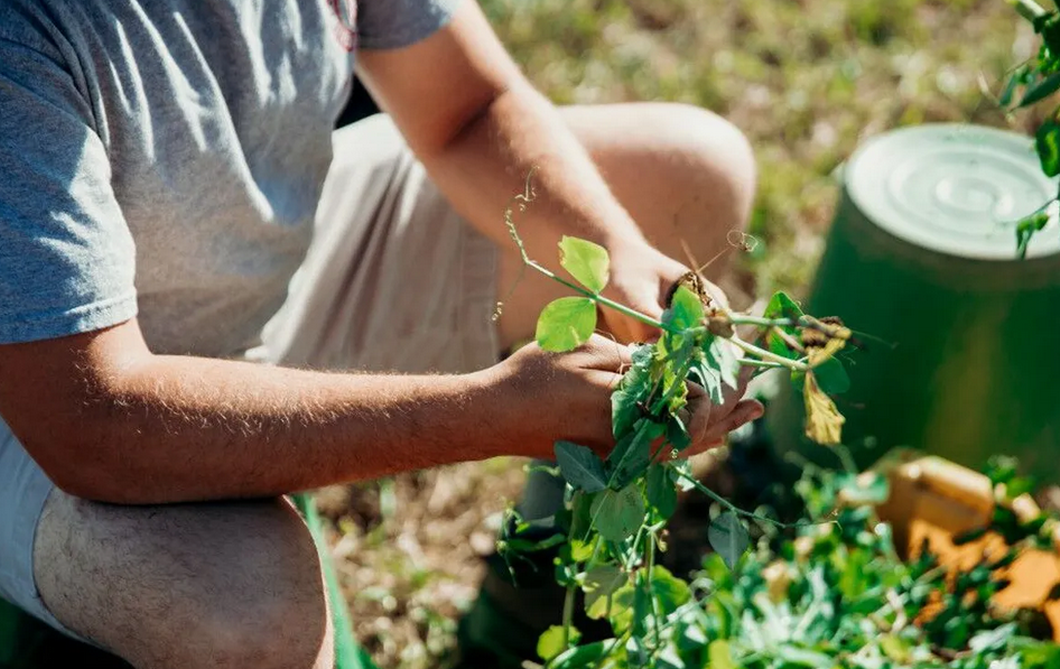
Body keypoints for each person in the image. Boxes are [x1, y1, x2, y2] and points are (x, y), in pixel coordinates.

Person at [0, 0, 761, 667]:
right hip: (46, 400)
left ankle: (535, 612)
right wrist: (492, 412)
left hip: (269, 268)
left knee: (688, 173)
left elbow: (465, 105)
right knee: (250, 616)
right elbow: (90, 416)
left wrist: (616, 257)